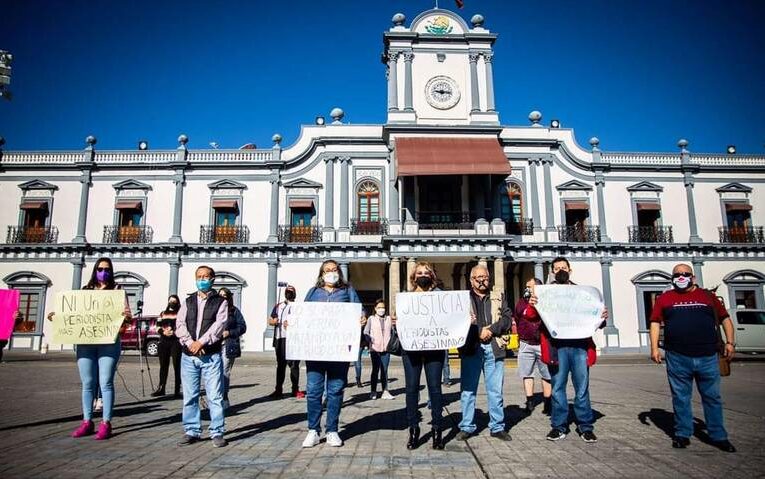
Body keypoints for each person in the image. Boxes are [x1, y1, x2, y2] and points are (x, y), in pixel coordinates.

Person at [649, 263, 736, 452]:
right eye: (677, 275)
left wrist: (730, 342)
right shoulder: (665, 299)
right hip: (677, 356)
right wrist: (654, 348)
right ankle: (682, 434)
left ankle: (718, 435)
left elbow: (725, 319)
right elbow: (655, 323)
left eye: (685, 274)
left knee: (712, 397)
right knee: (680, 397)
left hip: (707, 355)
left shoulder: (708, 297)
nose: (681, 277)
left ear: (693, 278)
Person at [47, 257, 131, 440]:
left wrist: (125, 317)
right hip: (85, 344)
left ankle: (106, 422)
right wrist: (58, 316)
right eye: (100, 269)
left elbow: (128, 319)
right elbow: (73, 314)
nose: (104, 272)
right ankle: (87, 421)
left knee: (106, 382)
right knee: (87, 384)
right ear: (95, 270)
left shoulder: (118, 292)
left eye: (107, 269)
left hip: (109, 343)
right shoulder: (85, 291)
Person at [532, 256, 608, 444]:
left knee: (582, 388)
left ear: (570, 270)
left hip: (580, 346)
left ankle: (585, 426)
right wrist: (534, 304)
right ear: (552, 272)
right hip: (557, 348)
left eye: (563, 267)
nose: (560, 271)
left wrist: (602, 316)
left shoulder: (584, 293)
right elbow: (533, 319)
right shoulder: (545, 294)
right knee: (557, 388)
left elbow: (596, 319)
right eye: (556, 269)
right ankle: (559, 426)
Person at [297, 260, 365, 448]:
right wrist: (292, 323)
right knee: (313, 391)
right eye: (327, 270)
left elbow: (360, 310)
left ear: (339, 273)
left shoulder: (347, 291)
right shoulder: (313, 292)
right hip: (316, 350)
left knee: (335, 390)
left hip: (339, 350)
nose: (331, 273)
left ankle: (332, 430)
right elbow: (302, 315)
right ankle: (313, 430)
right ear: (321, 274)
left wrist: (362, 317)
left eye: (334, 270)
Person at [456, 265, 513, 441]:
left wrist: (491, 329)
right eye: (477, 277)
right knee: (468, 390)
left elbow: (507, 319)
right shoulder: (462, 299)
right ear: (471, 280)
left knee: (495, 390)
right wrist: (478, 331)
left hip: (494, 347)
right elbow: (457, 322)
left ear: (489, 278)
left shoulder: (498, 297)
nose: (482, 280)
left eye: (485, 277)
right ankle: (467, 426)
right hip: (471, 348)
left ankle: (497, 426)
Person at [175, 265, 229, 448]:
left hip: (211, 356)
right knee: (190, 395)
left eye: (206, 276)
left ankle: (217, 431)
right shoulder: (188, 301)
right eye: (199, 276)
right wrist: (190, 343)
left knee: (215, 396)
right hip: (189, 356)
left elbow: (219, 326)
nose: (202, 279)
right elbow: (180, 324)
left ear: (213, 279)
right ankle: (191, 430)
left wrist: (202, 343)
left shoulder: (220, 302)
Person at [401, 261, 446, 450]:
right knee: (411, 389)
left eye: (426, 272)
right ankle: (413, 429)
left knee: (435, 389)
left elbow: (450, 318)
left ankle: (437, 429)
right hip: (411, 349)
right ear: (414, 277)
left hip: (434, 349)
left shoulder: (441, 297)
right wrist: (396, 318)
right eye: (419, 273)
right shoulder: (406, 298)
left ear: (432, 276)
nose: (422, 275)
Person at [514, 278, 551, 415]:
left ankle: (548, 402)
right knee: (526, 373)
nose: (527, 289)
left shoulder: (546, 302)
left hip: (542, 343)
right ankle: (529, 401)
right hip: (525, 343)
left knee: (546, 374)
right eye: (526, 286)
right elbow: (517, 317)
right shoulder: (521, 302)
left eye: (530, 287)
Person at [268, 285, 303, 399]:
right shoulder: (279, 306)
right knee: (281, 365)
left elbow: (303, 323)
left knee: (294, 366)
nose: (289, 293)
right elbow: (270, 320)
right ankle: (278, 390)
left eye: (291, 291)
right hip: (280, 338)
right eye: (288, 291)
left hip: (293, 340)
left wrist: (293, 325)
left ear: (295, 294)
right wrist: (273, 321)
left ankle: (295, 389)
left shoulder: (298, 307)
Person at [218, 287, 247, 410]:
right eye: (220, 295)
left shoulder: (234, 311)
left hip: (228, 345)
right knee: (214, 372)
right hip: (214, 345)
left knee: (224, 372)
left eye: (225, 295)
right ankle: (216, 397)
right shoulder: (213, 310)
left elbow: (242, 327)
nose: (223, 297)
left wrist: (229, 332)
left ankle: (224, 397)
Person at [363, 299, 395, 400]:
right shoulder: (371, 319)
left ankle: (385, 391)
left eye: (383, 307)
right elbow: (366, 331)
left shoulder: (389, 319)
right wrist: (369, 340)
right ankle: (373, 391)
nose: (382, 309)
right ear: (375, 308)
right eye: (379, 307)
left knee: (384, 370)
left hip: (386, 349)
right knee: (375, 370)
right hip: (375, 349)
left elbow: (394, 330)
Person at [152, 295, 182, 399]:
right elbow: (157, 326)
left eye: (174, 301)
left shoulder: (181, 313)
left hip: (176, 341)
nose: (172, 302)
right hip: (164, 340)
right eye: (170, 301)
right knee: (163, 365)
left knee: (177, 365)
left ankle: (177, 389)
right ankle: (161, 388)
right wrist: (163, 331)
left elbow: (182, 326)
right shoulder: (163, 313)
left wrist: (174, 332)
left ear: (177, 302)